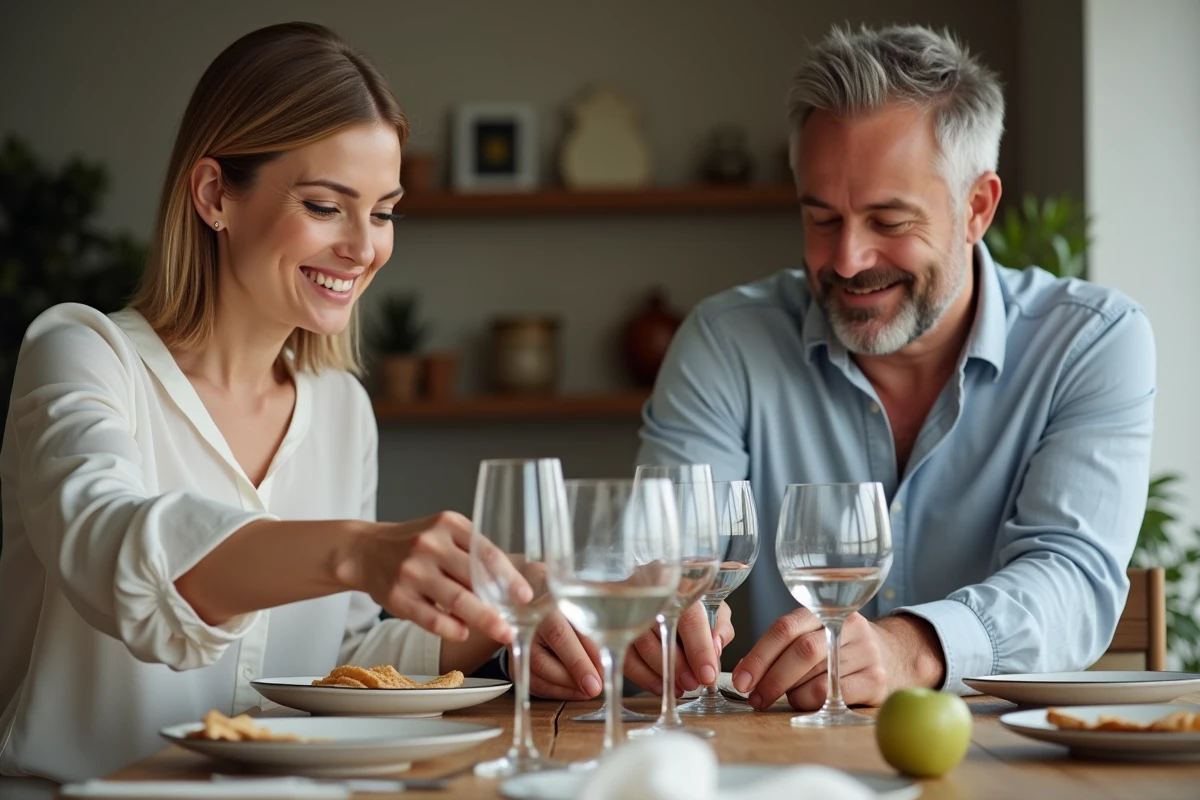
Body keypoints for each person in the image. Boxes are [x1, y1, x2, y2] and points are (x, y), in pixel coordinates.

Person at [0, 22, 546, 787]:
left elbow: (341, 665)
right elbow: (117, 555)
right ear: (216, 194)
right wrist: (359, 549)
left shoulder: (341, 407)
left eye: (384, 211)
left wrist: (508, 614)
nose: (364, 248)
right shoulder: (82, 354)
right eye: (327, 206)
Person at [635, 24, 1156, 712]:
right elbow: (666, 561)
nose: (847, 259)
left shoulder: (1092, 342)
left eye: (889, 221)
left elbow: (1073, 576)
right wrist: (658, 618)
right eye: (822, 218)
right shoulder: (724, 342)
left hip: (1003, 763)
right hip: (771, 762)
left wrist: (911, 649)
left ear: (977, 208)